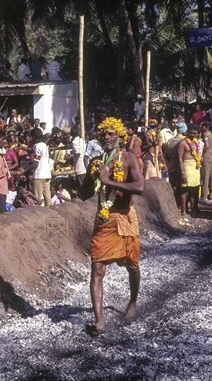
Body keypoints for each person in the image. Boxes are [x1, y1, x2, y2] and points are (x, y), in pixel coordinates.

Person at [87, 117, 145, 336]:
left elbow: (140, 187)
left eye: (111, 133)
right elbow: (85, 193)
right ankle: (99, 321)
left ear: (120, 137)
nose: (107, 137)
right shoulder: (97, 160)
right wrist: (88, 177)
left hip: (124, 218)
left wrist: (108, 181)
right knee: (97, 269)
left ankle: (132, 301)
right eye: (103, 134)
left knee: (132, 265)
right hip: (103, 219)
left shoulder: (128, 159)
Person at [178, 124, 202, 216]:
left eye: (194, 133)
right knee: (185, 189)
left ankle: (193, 210)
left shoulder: (197, 142)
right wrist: (182, 172)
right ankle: (184, 211)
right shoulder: (183, 142)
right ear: (187, 132)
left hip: (195, 166)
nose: (192, 135)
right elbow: (179, 158)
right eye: (191, 133)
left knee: (195, 189)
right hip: (186, 166)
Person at [31, 129, 52, 206]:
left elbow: (36, 163)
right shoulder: (44, 145)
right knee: (48, 198)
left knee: (37, 198)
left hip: (39, 175)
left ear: (34, 137)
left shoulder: (38, 147)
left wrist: (26, 170)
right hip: (47, 174)